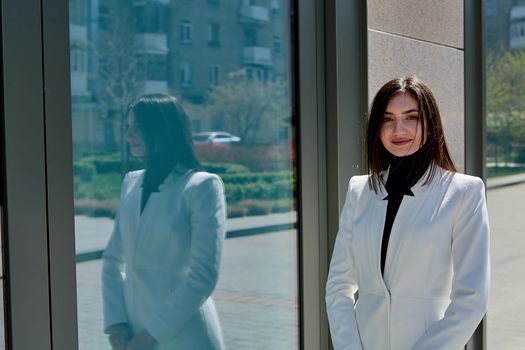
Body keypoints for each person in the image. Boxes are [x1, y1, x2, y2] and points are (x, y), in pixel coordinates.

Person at [325, 76, 490, 350]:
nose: (398, 129)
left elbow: (472, 297)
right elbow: (338, 286)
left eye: (411, 117)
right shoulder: (359, 191)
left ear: (430, 124)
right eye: (387, 119)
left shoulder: (464, 192)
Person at [102, 94, 226, 350]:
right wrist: (116, 324)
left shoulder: (201, 186)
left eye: (138, 127)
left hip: (186, 335)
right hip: (132, 333)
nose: (129, 135)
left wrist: (149, 335)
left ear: (162, 129)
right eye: (128, 126)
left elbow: (204, 275)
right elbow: (113, 260)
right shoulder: (131, 182)